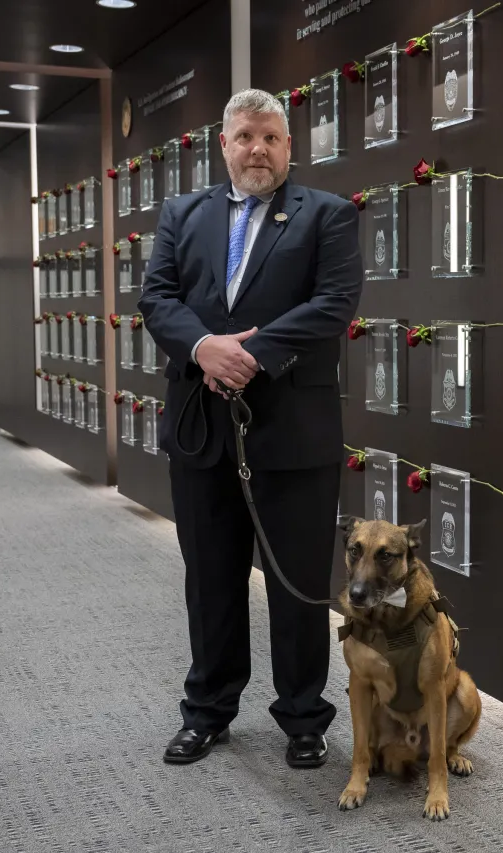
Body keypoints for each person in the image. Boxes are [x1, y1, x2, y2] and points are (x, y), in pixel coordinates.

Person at [138, 88, 362, 769]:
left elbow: (334, 304)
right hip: (202, 424)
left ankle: (303, 716)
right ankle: (208, 710)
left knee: (296, 582)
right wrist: (205, 349)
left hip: (294, 430)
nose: (257, 148)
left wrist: (248, 354)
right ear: (224, 146)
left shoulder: (327, 215)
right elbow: (157, 297)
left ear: (288, 146)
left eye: (270, 137)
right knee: (210, 578)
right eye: (244, 137)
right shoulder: (182, 214)